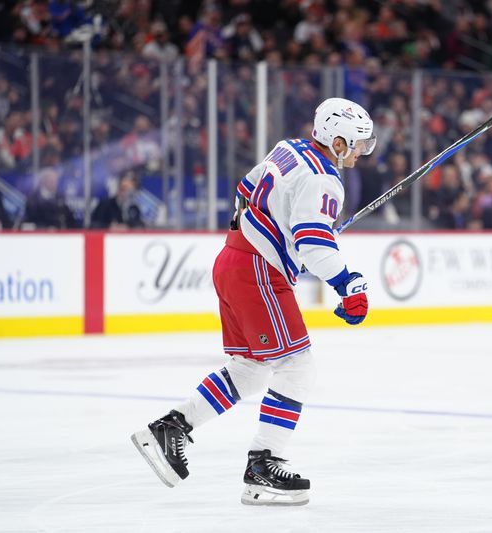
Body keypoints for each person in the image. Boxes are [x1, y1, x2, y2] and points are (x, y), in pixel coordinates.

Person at [132, 98, 375, 506]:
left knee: (250, 368)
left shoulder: (290, 149)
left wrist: (285, 233)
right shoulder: (324, 179)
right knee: (297, 367)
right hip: (259, 272)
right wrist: (349, 284)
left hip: (232, 259)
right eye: (357, 144)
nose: (361, 153)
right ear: (337, 141)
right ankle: (264, 466)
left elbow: (247, 192)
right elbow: (313, 245)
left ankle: (172, 427)